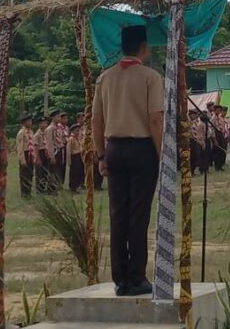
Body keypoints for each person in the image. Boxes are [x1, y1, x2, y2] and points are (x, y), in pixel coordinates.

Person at [92, 25, 164, 297]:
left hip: (114, 149)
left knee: (117, 214)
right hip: (142, 149)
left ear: (122, 47)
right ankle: (136, 277)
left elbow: (96, 120)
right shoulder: (150, 77)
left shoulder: (105, 78)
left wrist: (101, 155)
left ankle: (120, 277)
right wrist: (162, 155)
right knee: (138, 215)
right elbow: (155, 120)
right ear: (143, 48)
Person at [16, 113, 36, 197]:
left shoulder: (31, 132)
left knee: (30, 174)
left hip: (30, 154)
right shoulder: (21, 133)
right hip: (24, 153)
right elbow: (19, 147)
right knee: (24, 174)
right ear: (24, 123)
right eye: (28, 121)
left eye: (31, 121)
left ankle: (28, 192)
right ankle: (24, 193)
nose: (30, 122)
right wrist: (22, 160)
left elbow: (32, 145)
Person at [34, 116, 52, 194]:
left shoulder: (46, 133)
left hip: (46, 152)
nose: (45, 124)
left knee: (46, 171)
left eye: (46, 123)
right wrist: (37, 158)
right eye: (43, 123)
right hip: (40, 153)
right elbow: (36, 147)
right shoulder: (37, 135)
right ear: (39, 124)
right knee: (39, 172)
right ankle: (39, 189)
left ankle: (44, 187)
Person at [52, 112, 68, 190]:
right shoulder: (53, 128)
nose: (66, 120)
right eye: (58, 117)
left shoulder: (64, 128)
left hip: (63, 148)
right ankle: (55, 185)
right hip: (56, 149)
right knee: (56, 168)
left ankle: (60, 184)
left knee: (62, 166)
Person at [211, 105, 229, 171]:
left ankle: (220, 165)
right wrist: (214, 139)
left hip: (221, 135)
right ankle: (217, 166)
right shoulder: (213, 118)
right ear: (214, 110)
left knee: (221, 151)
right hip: (216, 134)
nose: (219, 111)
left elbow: (222, 127)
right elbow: (212, 129)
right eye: (217, 110)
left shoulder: (220, 118)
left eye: (220, 110)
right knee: (217, 151)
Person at [67, 123, 84, 193]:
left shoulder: (78, 139)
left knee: (79, 171)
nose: (78, 132)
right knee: (74, 172)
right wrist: (69, 161)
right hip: (74, 156)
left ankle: (78, 185)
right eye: (76, 131)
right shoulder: (71, 139)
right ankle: (73, 187)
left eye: (78, 131)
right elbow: (68, 150)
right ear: (72, 131)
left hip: (79, 155)